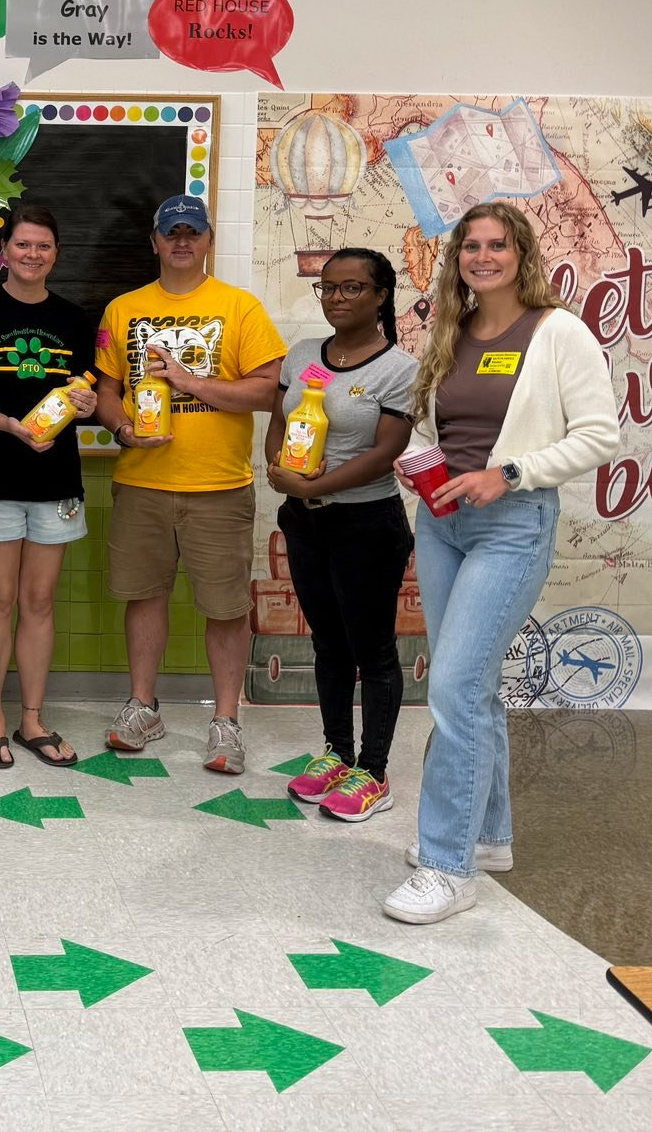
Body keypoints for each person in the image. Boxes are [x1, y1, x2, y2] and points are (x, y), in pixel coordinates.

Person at [383, 202, 617, 923]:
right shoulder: (450, 332)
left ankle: (447, 869)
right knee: (473, 688)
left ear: (521, 255)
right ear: (458, 261)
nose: (483, 257)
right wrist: (419, 460)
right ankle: (487, 838)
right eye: (471, 247)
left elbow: (599, 436)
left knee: (452, 688)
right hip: (443, 520)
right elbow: (446, 425)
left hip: (511, 525)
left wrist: (508, 474)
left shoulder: (558, 332)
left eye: (497, 246)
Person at [93, 194, 286, 773]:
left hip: (219, 486)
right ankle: (142, 706)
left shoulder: (240, 308)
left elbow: (265, 391)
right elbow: (105, 390)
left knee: (225, 607)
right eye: (171, 231)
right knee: (143, 594)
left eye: (192, 232)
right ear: (154, 241)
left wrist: (188, 381)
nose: (182, 240)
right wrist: (123, 429)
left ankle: (226, 722)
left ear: (208, 241)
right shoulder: (122, 309)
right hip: (142, 481)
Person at [262, 248, 417, 822]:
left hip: (366, 526)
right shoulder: (304, 354)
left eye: (352, 288)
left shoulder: (400, 369)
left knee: (372, 652)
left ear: (381, 296)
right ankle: (336, 753)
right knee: (328, 645)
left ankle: (373, 773)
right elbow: (280, 418)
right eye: (328, 288)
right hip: (306, 522)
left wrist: (311, 485)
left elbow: (386, 453)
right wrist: (277, 464)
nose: (336, 298)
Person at [0, 204, 96, 770]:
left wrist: (87, 405)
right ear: (4, 251)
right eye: (22, 245)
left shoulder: (75, 318)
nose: (32, 255)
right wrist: (10, 426)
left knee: (39, 602)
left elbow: (88, 394)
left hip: (55, 478)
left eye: (43, 246)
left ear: (55, 254)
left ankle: (31, 719)